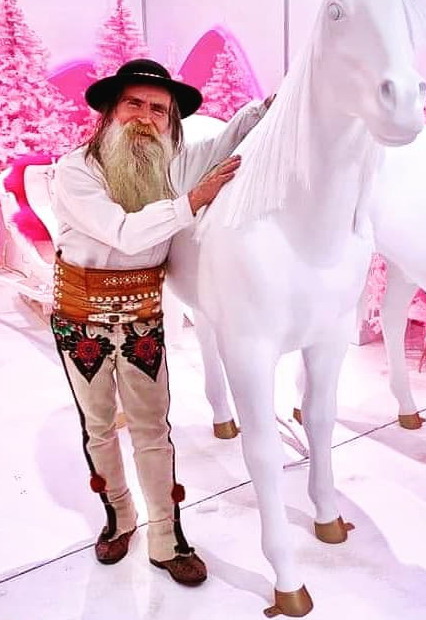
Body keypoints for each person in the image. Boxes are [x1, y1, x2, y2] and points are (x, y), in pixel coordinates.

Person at [50, 58, 272, 585]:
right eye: (135, 104)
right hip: (81, 319)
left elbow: (220, 147)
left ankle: (165, 537)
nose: (146, 117)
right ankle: (119, 516)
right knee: (100, 427)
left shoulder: (166, 163)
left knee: (154, 429)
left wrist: (270, 106)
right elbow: (124, 233)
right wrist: (195, 200)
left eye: (159, 109)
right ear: (109, 111)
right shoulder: (75, 170)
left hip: (143, 319)